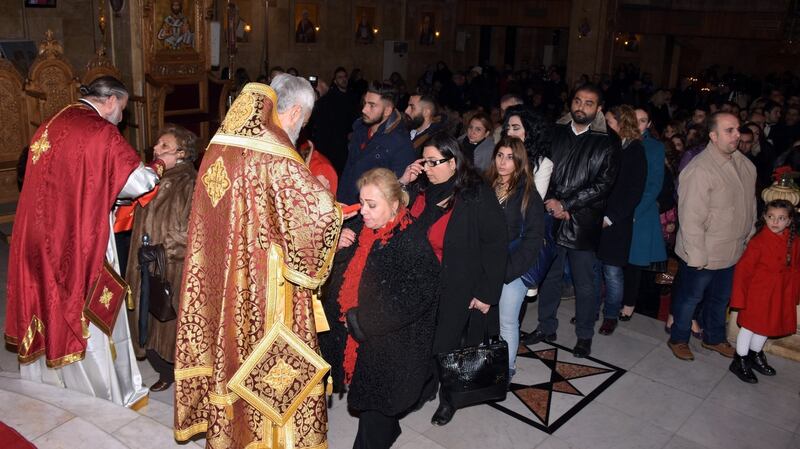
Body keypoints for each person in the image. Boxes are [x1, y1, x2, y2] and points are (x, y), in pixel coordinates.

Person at [172, 76, 342, 448]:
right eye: (305, 120)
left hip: (222, 279)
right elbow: (318, 214)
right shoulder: (276, 152)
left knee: (231, 353)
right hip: (266, 288)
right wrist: (330, 204)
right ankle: (273, 438)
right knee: (268, 355)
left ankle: (233, 433)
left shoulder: (221, 143)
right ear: (295, 111)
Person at [5, 76, 165, 407]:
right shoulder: (101, 131)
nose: (121, 119)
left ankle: (51, 385)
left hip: (36, 235)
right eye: (121, 109)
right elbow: (135, 183)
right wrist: (159, 166)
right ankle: (100, 394)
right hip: (77, 237)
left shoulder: (52, 123)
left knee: (46, 302)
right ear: (110, 101)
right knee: (85, 307)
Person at [325, 168, 440, 448]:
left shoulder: (411, 243)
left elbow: (409, 300)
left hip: (394, 345)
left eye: (371, 205)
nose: (363, 211)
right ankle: (389, 427)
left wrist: (360, 320)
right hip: (365, 336)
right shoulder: (361, 229)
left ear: (395, 205)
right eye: (362, 202)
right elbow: (340, 275)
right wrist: (336, 249)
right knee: (376, 402)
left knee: (376, 401)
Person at [398, 133, 507, 426]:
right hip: (423, 284)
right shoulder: (423, 188)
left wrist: (487, 293)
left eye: (435, 162)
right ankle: (427, 389)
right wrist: (404, 181)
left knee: (448, 347)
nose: (429, 168)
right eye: (425, 162)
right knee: (425, 343)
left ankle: (450, 399)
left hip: (458, 285)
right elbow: (396, 218)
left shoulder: (475, 194)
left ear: (454, 162)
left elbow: (496, 244)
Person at [523, 85, 619, 358]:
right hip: (551, 215)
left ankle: (584, 335)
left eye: (589, 103)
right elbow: (541, 168)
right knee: (549, 276)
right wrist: (552, 202)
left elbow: (604, 184)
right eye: (577, 101)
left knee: (584, 282)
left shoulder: (608, 140)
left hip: (583, 221)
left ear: (598, 108)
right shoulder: (556, 132)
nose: (581, 107)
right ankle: (546, 326)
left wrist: (568, 205)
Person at [668, 112, 756, 361]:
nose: (737, 135)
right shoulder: (700, 169)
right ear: (713, 136)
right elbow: (690, 217)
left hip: (732, 248)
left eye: (738, 129)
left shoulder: (745, 165)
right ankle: (678, 338)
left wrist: (748, 233)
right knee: (690, 298)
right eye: (729, 130)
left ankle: (714, 338)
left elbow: (750, 204)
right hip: (703, 251)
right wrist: (696, 255)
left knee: (720, 298)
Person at [124, 124, 198, 392]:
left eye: (164, 146)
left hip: (169, 265)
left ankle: (170, 370)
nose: (155, 149)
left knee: (165, 317)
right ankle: (154, 358)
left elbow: (196, 230)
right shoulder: (151, 177)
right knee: (144, 312)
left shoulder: (190, 182)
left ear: (181, 153)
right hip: (143, 259)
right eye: (156, 144)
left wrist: (165, 248)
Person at [485, 136, 544, 379]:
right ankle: (485, 360)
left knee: (507, 321)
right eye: (500, 155)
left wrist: (508, 272)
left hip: (513, 267)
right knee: (484, 319)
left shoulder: (528, 194)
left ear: (519, 161)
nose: (503, 162)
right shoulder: (485, 185)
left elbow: (533, 240)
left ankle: (506, 369)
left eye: (510, 157)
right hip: (484, 264)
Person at [729, 199, 800, 383]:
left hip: (778, 294)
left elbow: (796, 268)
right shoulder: (758, 242)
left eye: (781, 218)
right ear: (764, 217)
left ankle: (755, 354)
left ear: (789, 221)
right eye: (771, 217)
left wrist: (794, 293)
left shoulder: (794, 241)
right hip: (757, 294)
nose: (775, 222)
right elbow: (743, 271)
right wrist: (739, 297)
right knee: (750, 326)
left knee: (766, 325)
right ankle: (740, 359)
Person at [595, 106, 646, 336]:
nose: (605, 125)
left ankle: (611, 315)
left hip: (617, 222)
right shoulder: (606, 145)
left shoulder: (635, 151)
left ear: (622, 123)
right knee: (593, 269)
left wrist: (610, 218)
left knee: (612, 272)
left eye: (609, 121)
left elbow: (633, 193)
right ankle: (591, 309)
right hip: (596, 217)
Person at [618, 108, 667, 322]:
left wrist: (634, 210)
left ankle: (629, 303)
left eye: (643, 120)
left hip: (641, 211)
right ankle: (613, 299)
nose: (638, 124)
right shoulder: (618, 141)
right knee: (614, 259)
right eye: (634, 119)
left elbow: (655, 184)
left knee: (634, 262)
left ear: (648, 124)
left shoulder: (655, 147)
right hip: (618, 209)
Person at [337, 85, 416, 205]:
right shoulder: (360, 129)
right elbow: (349, 169)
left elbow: (398, 191)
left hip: (369, 215)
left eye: (372, 105)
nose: (364, 109)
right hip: (345, 205)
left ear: (388, 110)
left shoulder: (400, 143)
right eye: (364, 103)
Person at [501, 105, 554, 199]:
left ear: (530, 131)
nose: (509, 133)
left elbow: (533, 203)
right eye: (507, 128)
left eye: (516, 128)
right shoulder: (501, 154)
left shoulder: (543, 164)